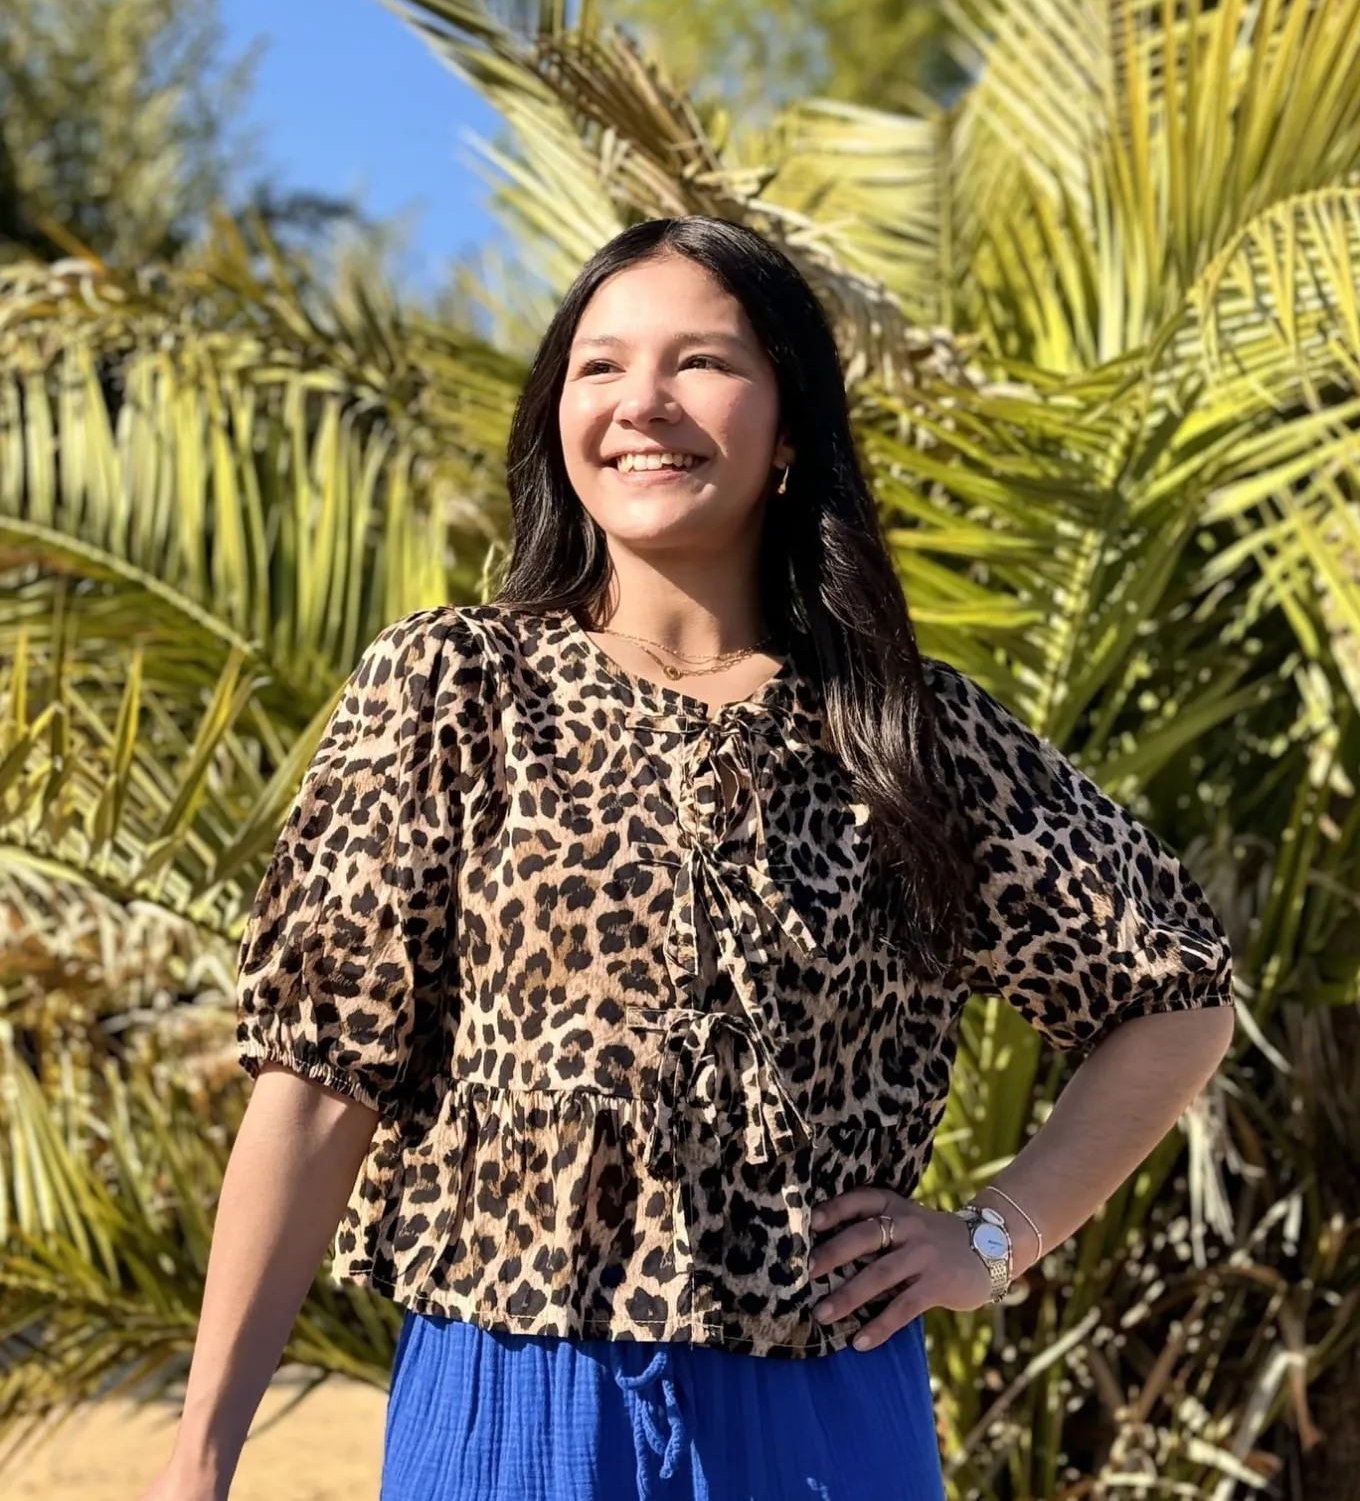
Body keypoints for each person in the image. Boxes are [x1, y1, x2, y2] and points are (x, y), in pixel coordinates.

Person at [141, 216, 1236, 1501]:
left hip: (826, 1411)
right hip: (516, 1405)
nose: (640, 402)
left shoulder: (904, 728)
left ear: (787, 432)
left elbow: (1176, 988)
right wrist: (200, 1452)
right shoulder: (453, 688)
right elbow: (319, 1087)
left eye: (699, 362)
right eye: (597, 366)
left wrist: (992, 1237)